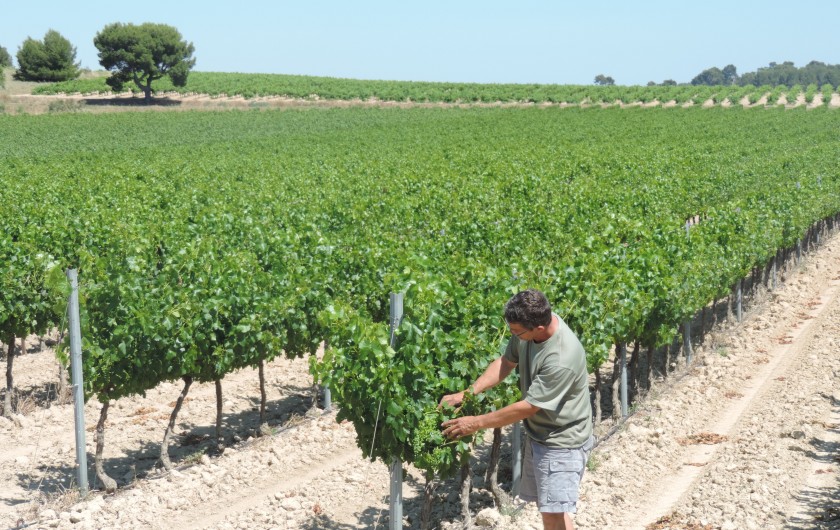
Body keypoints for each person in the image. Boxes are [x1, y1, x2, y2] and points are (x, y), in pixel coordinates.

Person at [440, 289, 594, 530]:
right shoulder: (528, 331)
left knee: (553, 513)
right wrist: (468, 393)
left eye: (516, 332)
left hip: (563, 442)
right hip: (541, 435)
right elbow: (506, 362)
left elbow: (528, 407)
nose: (513, 336)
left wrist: (476, 422)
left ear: (539, 328)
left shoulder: (562, 358)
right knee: (551, 510)